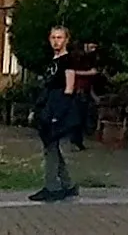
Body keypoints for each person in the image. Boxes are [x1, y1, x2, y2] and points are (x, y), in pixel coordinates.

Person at [30, 26, 80, 202]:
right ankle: (68, 185)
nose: (56, 41)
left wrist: (59, 112)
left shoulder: (68, 61)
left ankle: (52, 187)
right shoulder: (53, 61)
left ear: (66, 39)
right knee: (51, 147)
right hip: (48, 104)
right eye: (53, 37)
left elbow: (69, 86)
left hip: (58, 106)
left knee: (51, 147)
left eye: (59, 37)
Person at [69, 41, 100, 151]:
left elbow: (91, 76)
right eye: (92, 47)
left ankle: (78, 141)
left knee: (81, 117)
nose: (94, 49)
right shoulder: (79, 59)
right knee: (78, 117)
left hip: (83, 91)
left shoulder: (89, 60)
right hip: (79, 91)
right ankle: (76, 141)